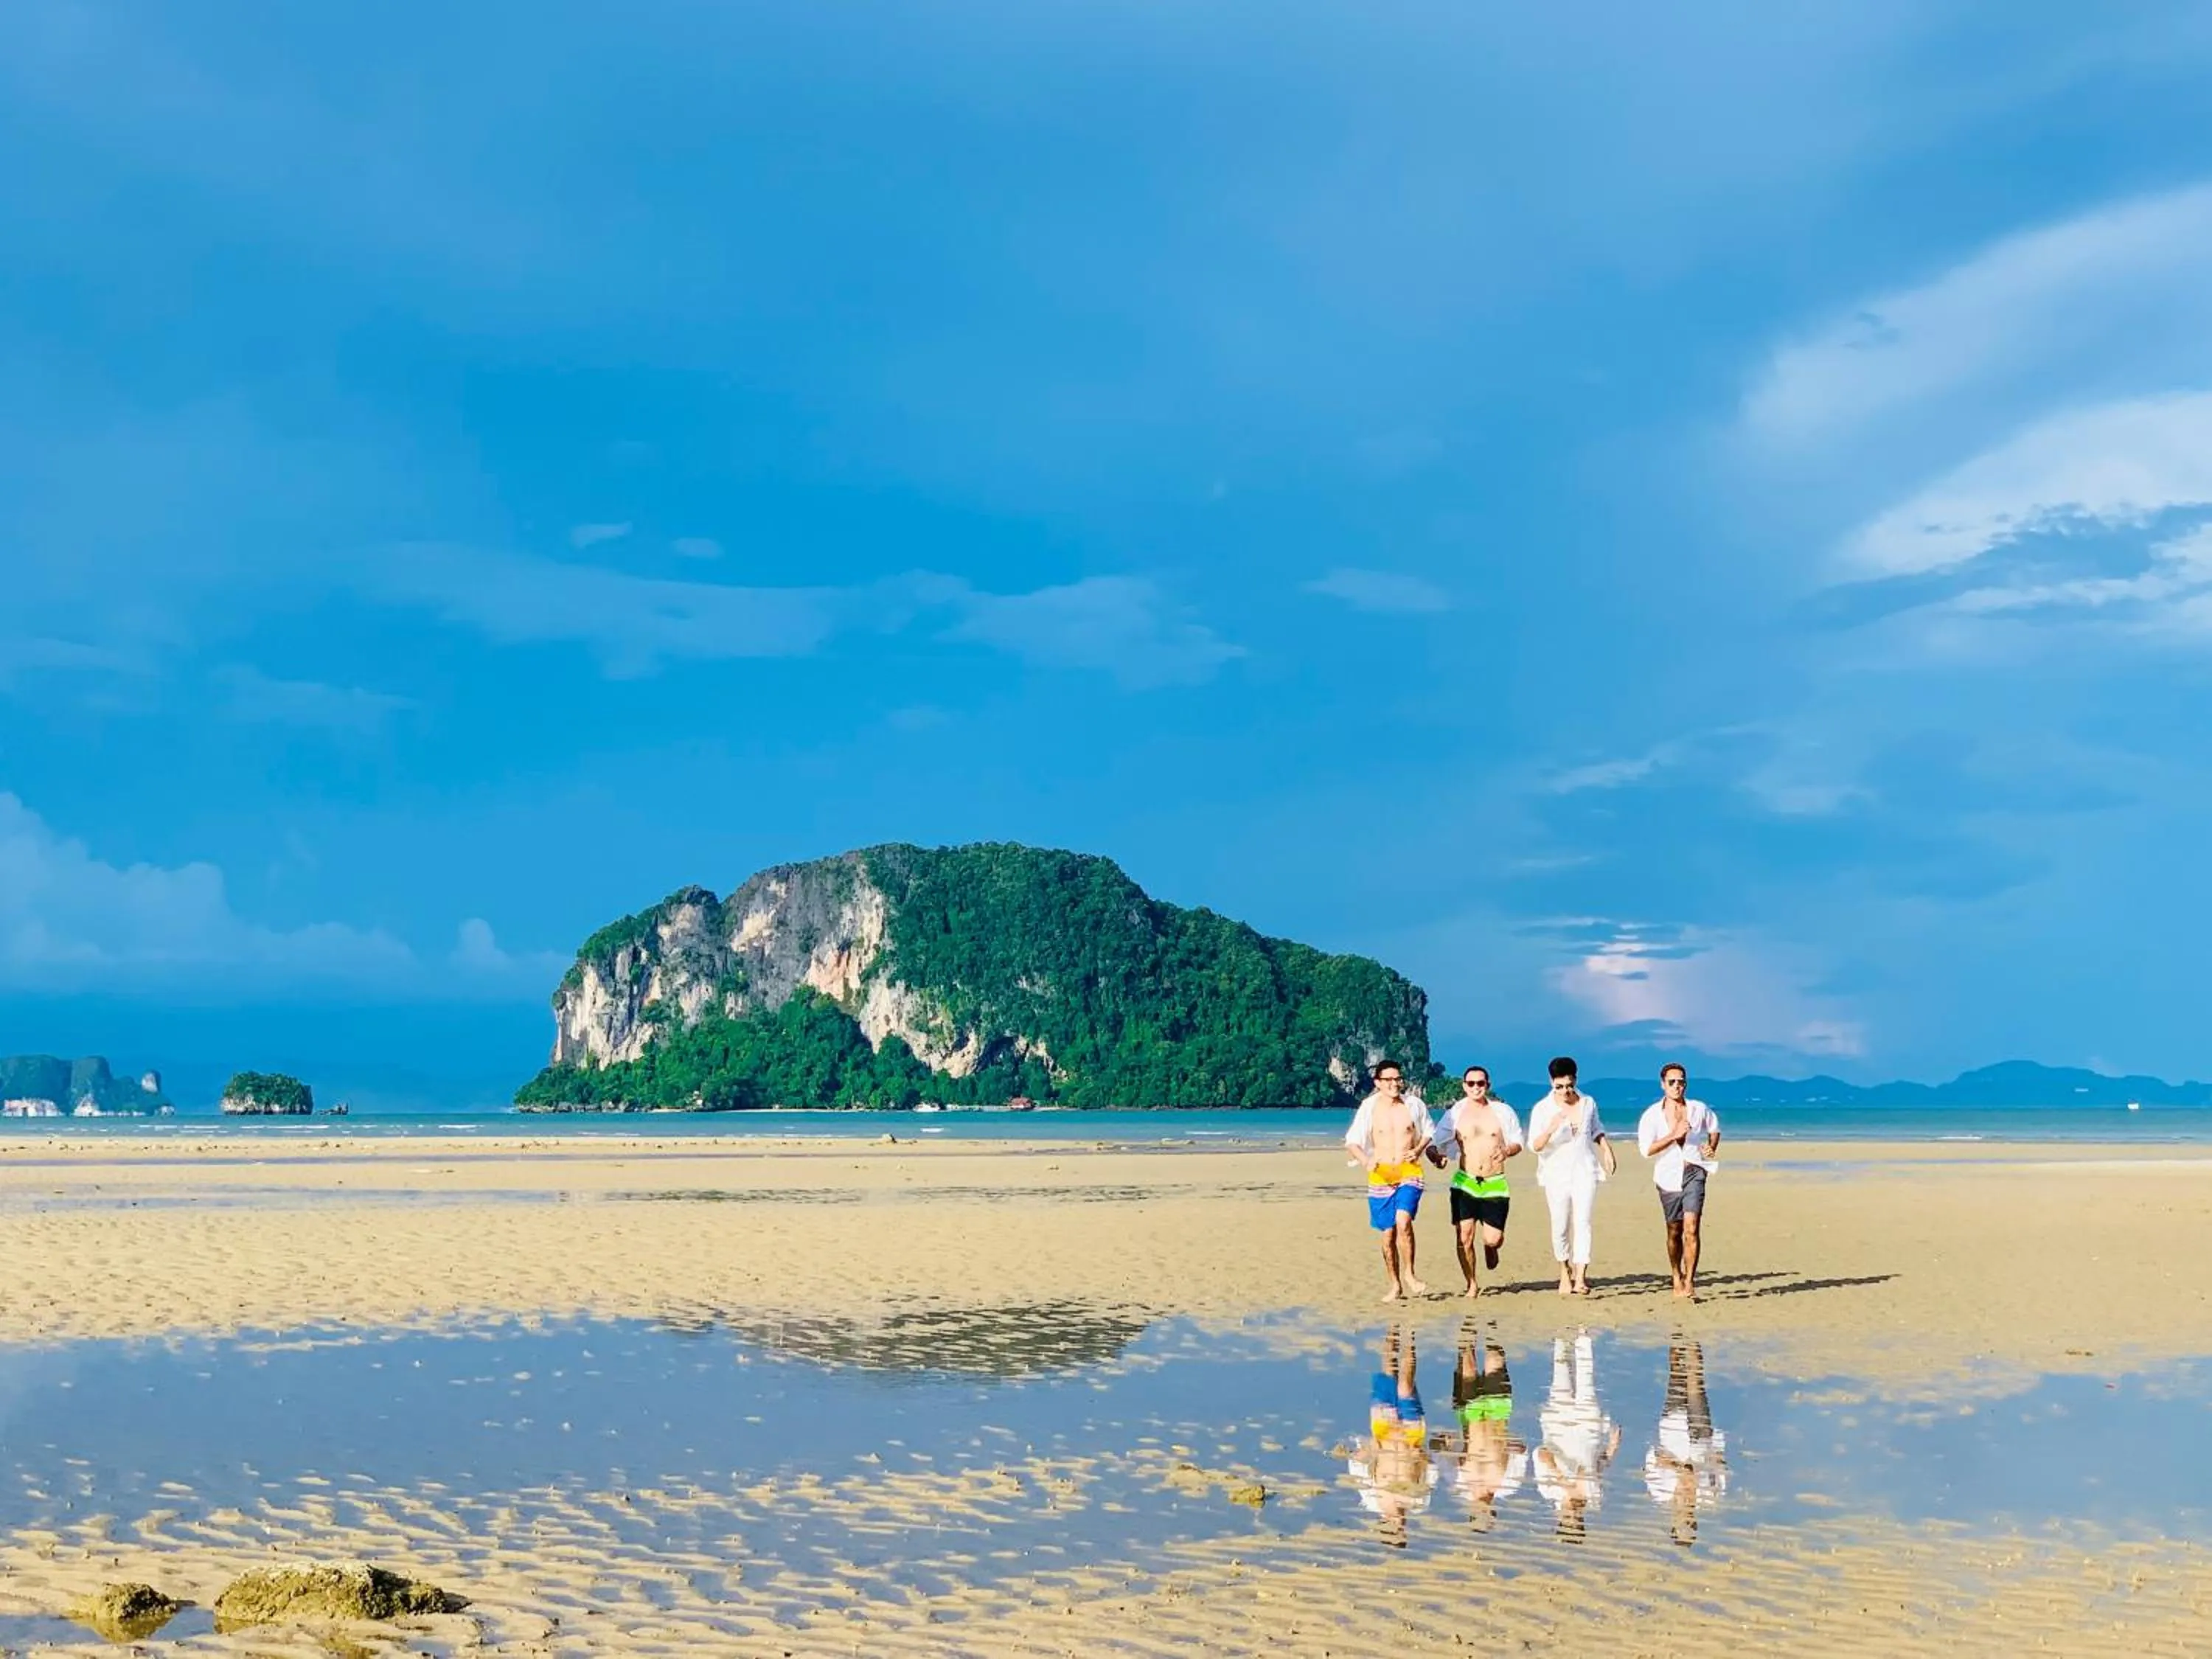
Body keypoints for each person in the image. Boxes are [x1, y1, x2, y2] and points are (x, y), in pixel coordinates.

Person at [1426, 1065, 1524, 1298]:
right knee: (1464, 1236)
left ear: (1488, 1086)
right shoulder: (1455, 1113)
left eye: (1480, 1083)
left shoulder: (1502, 1112)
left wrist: (1507, 1151)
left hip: (1494, 1182)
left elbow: (1518, 1141)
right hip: (1465, 1181)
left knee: (1493, 1239)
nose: (1476, 1088)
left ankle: (1491, 1248)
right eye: (1471, 1084)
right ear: (1464, 1086)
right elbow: (1434, 1143)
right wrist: (1435, 1157)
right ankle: (1471, 1283)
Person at [1343, 1059, 1436, 1301]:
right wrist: (1366, 1161)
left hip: (1409, 1171)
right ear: (1378, 1083)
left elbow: (1429, 1131)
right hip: (1380, 1174)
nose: (1395, 1084)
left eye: (1398, 1079)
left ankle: (1410, 1274)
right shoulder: (1369, 1108)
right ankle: (1394, 1285)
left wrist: (1418, 1150)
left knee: (1403, 1221)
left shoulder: (1413, 1105)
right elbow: (1352, 1141)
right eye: (1389, 1080)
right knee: (1388, 1235)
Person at [1636, 1063, 1723, 1299]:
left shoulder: (1698, 1108)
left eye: (1681, 1082)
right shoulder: (1651, 1116)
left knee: (1691, 1228)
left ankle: (1689, 1281)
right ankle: (1675, 1274)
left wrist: (1710, 1146)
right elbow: (1647, 1150)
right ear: (1663, 1084)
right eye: (1672, 1082)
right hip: (1667, 1176)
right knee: (1674, 1230)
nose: (1678, 1086)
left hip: (1694, 1170)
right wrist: (1672, 1135)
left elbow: (1714, 1129)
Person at [1343, 1324, 1436, 1546]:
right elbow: (1432, 1469)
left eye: (1396, 1529)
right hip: (1411, 1434)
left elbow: (1357, 1463)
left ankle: (1393, 1326)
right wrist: (1421, 1455)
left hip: (1383, 1430)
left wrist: (1368, 1449)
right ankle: (1412, 1334)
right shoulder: (1419, 1502)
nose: (1400, 1524)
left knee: (1388, 1370)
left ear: (1385, 1525)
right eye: (1403, 1530)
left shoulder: (1371, 1499)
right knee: (1404, 1386)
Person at [1527, 1056, 1609, 1296]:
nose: (1566, 1091)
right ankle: (1564, 1270)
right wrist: (1552, 1127)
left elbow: (1596, 1129)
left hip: (1585, 1169)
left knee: (1583, 1222)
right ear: (1551, 1082)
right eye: (1560, 1086)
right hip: (1556, 1174)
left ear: (1576, 1080)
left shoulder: (1588, 1102)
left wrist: (1606, 1150)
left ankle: (1581, 1275)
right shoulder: (1542, 1109)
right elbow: (1535, 1145)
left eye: (1570, 1085)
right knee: (1560, 1223)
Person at [1533, 1329, 1620, 1542]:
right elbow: (1596, 1468)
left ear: (1559, 1519)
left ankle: (1561, 1333)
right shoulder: (1594, 1498)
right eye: (1577, 1521)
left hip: (1559, 1426)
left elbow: (1541, 1453)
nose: (1572, 1514)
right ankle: (1583, 1332)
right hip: (1588, 1431)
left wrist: (1561, 1479)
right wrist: (1612, 1448)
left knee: (1561, 1372)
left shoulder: (1549, 1491)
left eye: (1567, 1520)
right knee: (1586, 1381)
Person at [1439, 1321, 1526, 1529]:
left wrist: (1447, 1446)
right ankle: (1491, 1319)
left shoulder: (1459, 1484)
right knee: (1495, 1357)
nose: (1482, 1512)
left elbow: (1436, 1447)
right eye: (1486, 1516)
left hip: (1471, 1418)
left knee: (1468, 1365)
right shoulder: (1509, 1485)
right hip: (1498, 1414)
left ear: (1470, 1514)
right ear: (1493, 1513)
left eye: (1478, 1516)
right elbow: (1522, 1451)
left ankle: (1469, 1321)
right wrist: (1512, 1447)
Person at [1643, 1338, 1728, 1546]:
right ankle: (1693, 1336)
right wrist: (1710, 1459)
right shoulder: (1709, 1497)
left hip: (1673, 1429)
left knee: (1677, 1376)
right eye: (1690, 1526)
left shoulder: (1660, 1493)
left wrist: (1680, 1469)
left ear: (1673, 1524)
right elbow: (1721, 1464)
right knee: (1696, 1384)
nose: (1686, 1521)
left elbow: (1654, 1456)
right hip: (1701, 1435)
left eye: (1682, 1527)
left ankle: (1678, 1333)